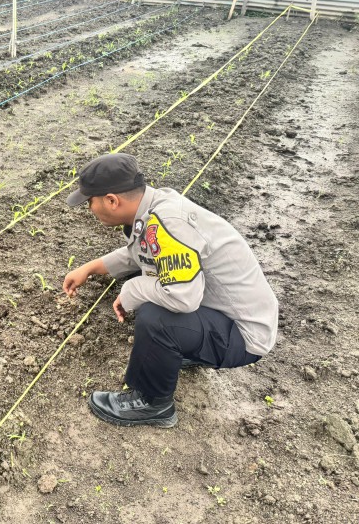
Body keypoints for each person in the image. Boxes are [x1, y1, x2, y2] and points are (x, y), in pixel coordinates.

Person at [63, 154, 278, 428]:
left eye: (89, 201)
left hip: (245, 333)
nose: (89, 208)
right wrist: (91, 268)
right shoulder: (153, 208)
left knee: (156, 316)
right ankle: (184, 351)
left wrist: (132, 290)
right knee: (153, 294)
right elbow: (141, 253)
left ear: (112, 200)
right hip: (226, 315)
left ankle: (153, 403)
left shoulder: (168, 222)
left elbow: (183, 298)